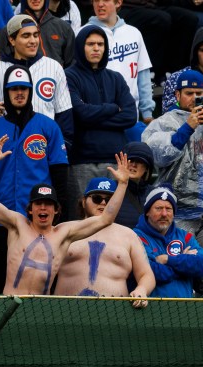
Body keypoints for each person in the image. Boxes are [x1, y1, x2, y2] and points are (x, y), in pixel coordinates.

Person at [0, 135, 130, 295]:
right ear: (30, 209)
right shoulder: (17, 224)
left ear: (56, 210)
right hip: (11, 304)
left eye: (48, 204)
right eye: (38, 204)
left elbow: (106, 219)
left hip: (42, 308)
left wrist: (123, 184)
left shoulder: (64, 233)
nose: (43, 208)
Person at [0, 65, 69, 293]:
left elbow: (60, 172)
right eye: (14, 89)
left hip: (40, 216)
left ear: (31, 91)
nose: (19, 93)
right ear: (6, 92)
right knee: (4, 276)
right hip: (3, 217)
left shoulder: (47, 126)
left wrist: (61, 211)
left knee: (41, 277)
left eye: (24, 88)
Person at [143, 69, 203, 233]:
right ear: (177, 95)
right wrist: (188, 127)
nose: (194, 98)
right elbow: (158, 156)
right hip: (180, 210)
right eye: (189, 93)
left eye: (198, 93)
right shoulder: (163, 123)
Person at [65, 25, 137, 221]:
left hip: (114, 161)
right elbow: (81, 114)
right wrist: (113, 108)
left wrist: (94, 114)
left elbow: (131, 116)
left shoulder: (116, 78)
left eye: (100, 44)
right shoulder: (69, 76)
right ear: (81, 46)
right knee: (82, 220)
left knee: (114, 221)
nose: (96, 48)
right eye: (90, 44)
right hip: (82, 161)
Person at [55, 177, 155, 307]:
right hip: (64, 311)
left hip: (115, 314)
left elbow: (146, 274)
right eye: (97, 198)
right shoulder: (64, 229)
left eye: (109, 200)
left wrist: (142, 289)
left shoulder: (129, 235)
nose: (103, 203)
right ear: (84, 201)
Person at [0, 15, 74, 143]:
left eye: (35, 35)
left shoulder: (53, 66)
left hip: (44, 143)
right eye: (26, 36)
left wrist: (64, 145)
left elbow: (64, 113)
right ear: (12, 40)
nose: (33, 41)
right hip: (6, 144)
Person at [85, 0, 155, 141]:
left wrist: (147, 114)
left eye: (105, 0)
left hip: (131, 118)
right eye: (96, 0)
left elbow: (143, 76)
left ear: (118, 3)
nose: (100, 4)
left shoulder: (134, 33)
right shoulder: (84, 33)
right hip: (100, 121)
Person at [133, 186, 203, 298]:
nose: (164, 214)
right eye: (158, 208)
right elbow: (153, 272)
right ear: (147, 212)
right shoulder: (135, 237)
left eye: (168, 209)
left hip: (184, 308)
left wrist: (167, 259)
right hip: (149, 309)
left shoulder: (185, 237)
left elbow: (202, 265)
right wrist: (184, 263)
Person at [117, 0, 198, 85]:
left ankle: (174, 74)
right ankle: (150, 74)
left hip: (153, 7)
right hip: (128, 7)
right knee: (161, 18)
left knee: (188, 18)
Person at [0, 0, 75, 67]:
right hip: (20, 81)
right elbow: (1, 63)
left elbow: (71, 63)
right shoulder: (10, 29)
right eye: (26, 35)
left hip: (54, 82)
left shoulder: (63, 27)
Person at [115, 141, 154, 228]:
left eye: (140, 161)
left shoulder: (155, 194)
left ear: (147, 168)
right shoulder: (109, 189)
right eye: (130, 160)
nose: (134, 165)